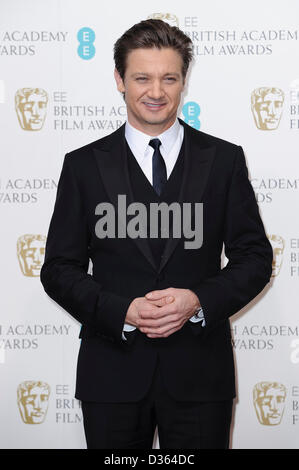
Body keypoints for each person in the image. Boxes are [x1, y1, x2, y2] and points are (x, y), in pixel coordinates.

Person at [40, 19, 273, 449]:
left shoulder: (224, 161)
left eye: (169, 78)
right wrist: (120, 310)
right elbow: (58, 269)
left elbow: (255, 258)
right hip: (111, 373)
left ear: (184, 80)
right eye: (142, 78)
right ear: (119, 80)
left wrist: (199, 300)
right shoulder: (82, 166)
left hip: (202, 377)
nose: (156, 92)